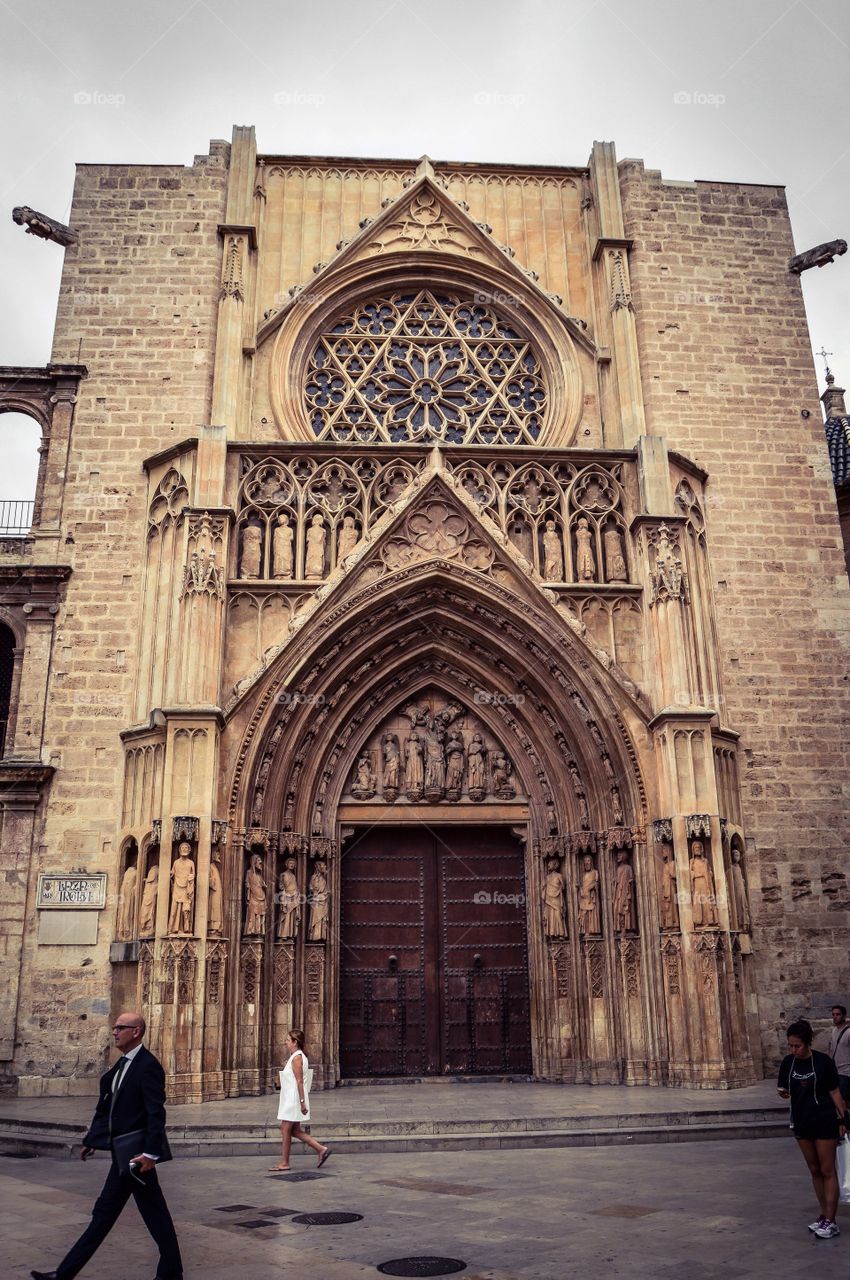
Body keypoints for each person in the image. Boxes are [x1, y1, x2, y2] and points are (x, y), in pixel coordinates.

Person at [31, 1012, 182, 1280]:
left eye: (120, 1028)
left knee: (115, 1216)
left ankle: (64, 1275)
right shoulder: (119, 1067)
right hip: (123, 1155)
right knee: (135, 1216)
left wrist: (150, 1154)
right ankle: (170, 1273)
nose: (114, 1032)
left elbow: (155, 1113)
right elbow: (108, 1108)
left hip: (135, 1158)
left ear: (136, 1032)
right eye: (115, 1027)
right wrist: (93, 1140)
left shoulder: (148, 1066)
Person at [777, 1017, 849, 1240]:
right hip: (801, 1121)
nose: (793, 1049)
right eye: (790, 1045)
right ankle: (823, 1214)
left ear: (808, 1043)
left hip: (824, 1119)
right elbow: (785, 1089)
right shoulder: (788, 1063)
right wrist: (783, 1093)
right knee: (814, 1170)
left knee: (828, 1170)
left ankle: (832, 1220)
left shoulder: (822, 1062)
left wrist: (844, 1118)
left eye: (797, 1045)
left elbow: (834, 1091)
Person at [269, 1029, 331, 1173]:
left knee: (285, 1129)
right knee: (295, 1130)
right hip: (292, 1098)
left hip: (293, 1099)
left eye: (287, 1040)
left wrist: (302, 1102)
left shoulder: (297, 1057)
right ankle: (321, 1149)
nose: (285, 1042)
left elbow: (299, 1082)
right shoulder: (296, 1057)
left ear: (295, 1042)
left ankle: (284, 1162)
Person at [829, 1004, 850, 1103]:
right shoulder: (834, 1031)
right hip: (835, 1072)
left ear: (844, 1016)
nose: (835, 1017)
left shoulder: (849, 1033)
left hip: (846, 1073)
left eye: (838, 1014)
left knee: (843, 1101)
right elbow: (832, 1050)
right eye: (833, 1014)